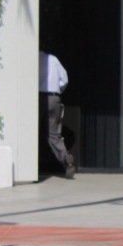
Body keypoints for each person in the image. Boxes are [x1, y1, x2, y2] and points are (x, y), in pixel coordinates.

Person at [39, 50, 75, 178]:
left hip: (38, 97)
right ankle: (66, 158)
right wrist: (57, 91)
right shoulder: (54, 59)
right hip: (54, 98)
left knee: (31, 134)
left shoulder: (32, 59)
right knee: (54, 135)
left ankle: (28, 167)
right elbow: (64, 79)